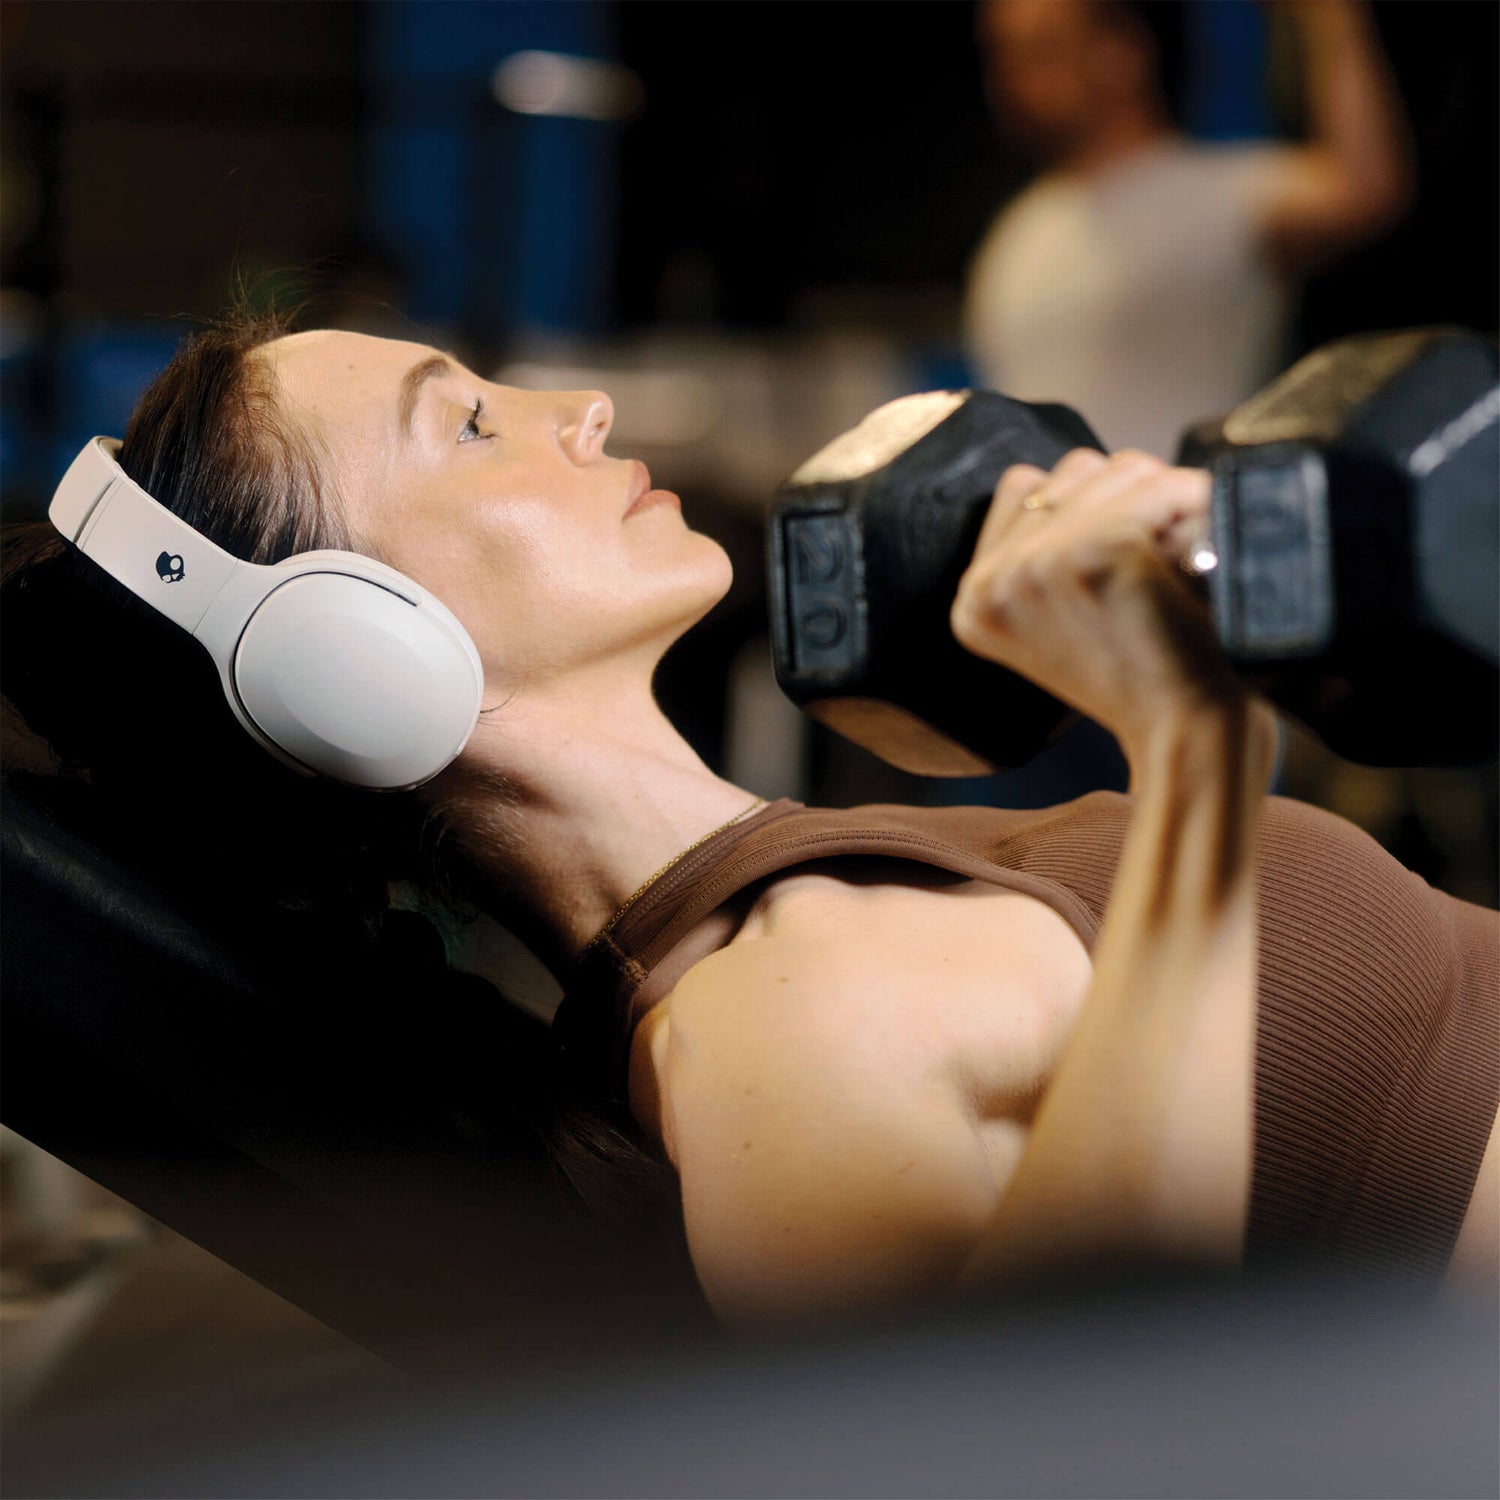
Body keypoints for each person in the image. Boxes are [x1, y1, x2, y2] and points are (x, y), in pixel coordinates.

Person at [3, 317, 1494, 1333]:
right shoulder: (770, 1034)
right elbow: (1081, 1439)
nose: (578, 409)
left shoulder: (820, 894)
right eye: (467, 422)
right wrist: (1192, 743)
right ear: (350, 650)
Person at [964, 0, 1413, 459]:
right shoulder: (1017, 232)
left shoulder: (1216, 194)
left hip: (1189, 497)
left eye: (1045, 47)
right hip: (1046, 503)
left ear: (1122, 51)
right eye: (1004, 53)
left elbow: (1364, 187)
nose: (1018, 75)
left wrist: (1330, 17)